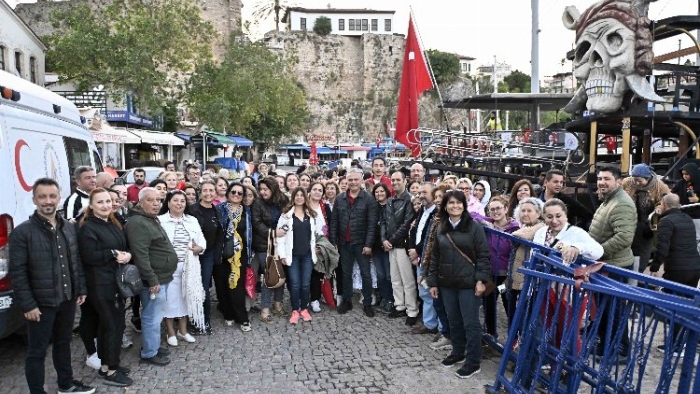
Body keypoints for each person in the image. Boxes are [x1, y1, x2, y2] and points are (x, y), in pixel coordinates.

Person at [9, 178, 95, 394]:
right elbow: (17, 272)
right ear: (34, 200)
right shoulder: (22, 232)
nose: (48, 201)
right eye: (42, 196)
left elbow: (75, 261)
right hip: (40, 304)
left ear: (59, 198)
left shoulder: (68, 227)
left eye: (52, 196)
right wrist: (28, 305)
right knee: (37, 352)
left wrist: (81, 288)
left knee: (63, 343)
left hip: (66, 299)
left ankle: (66, 385)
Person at [427, 190, 491, 380]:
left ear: (464, 205)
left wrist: (481, 280)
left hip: (468, 283)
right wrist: (433, 281)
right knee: (453, 319)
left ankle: (473, 361)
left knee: (470, 322)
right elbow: (435, 256)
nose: (455, 206)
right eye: (451, 203)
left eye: (458, 203)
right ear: (445, 206)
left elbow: (483, 255)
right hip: (447, 282)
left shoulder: (474, 227)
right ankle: (458, 351)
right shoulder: (441, 227)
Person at [77, 188, 133, 387]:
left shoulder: (113, 222)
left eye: (108, 201)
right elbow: (88, 256)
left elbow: (123, 247)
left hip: (115, 281)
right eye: (100, 202)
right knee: (112, 326)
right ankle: (111, 370)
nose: (105, 205)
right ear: (91, 205)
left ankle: (105, 365)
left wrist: (126, 255)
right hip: (100, 285)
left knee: (109, 326)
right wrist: (112, 253)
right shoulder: (87, 227)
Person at [126, 187, 178, 366]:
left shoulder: (149, 219)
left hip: (162, 276)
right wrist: (152, 279)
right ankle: (149, 352)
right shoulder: (138, 223)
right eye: (151, 200)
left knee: (156, 314)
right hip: (154, 280)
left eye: (158, 200)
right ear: (140, 202)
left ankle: (153, 346)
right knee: (152, 317)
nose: (156, 203)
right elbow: (140, 255)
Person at [588, 167, 636, 361]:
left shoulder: (621, 203)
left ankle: (621, 350)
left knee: (613, 309)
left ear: (618, 181)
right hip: (605, 264)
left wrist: (598, 251)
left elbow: (624, 237)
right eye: (600, 178)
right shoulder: (609, 200)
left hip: (615, 265)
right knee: (604, 309)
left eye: (607, 179)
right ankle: (605, 346)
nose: (601, 182)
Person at [650, 193, 700, 354]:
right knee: (686, 305)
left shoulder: (666, 221)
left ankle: (676, 345)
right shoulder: (687, 219)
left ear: (664, 205)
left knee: (675, 307)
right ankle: (683, 342)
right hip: (694, 268)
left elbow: (662, 247)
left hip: (677, 270)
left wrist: (655, 267)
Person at [158, 190, 206, 346]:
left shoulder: (192, 220)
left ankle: (183, 331)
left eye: (182, 201)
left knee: (186, 299)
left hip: (189, 267)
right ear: (169, 203)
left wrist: (200, 248)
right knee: (169, 301)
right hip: (168, 268)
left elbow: (201, 240)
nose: (179, 204)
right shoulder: (160, 221)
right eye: (176, 200)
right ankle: (170, 331)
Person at [330, 168, 378, 317]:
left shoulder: (369, 199)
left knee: (366, 274)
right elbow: (334, 222)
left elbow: (372, 224)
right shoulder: (340, 198)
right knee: (345, 273)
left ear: (361, 181)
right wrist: (333, 242)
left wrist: (369, 244)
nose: (353, 182)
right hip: (344, 242)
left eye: (356, 179)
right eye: (350, 180)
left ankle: (368, 303)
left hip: (361, 242)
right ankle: (347, 301)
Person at [276, 187, 324, 324]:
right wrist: (282, 255)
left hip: (307, 255)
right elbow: (280, 237)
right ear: (293, 197)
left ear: (305, 197)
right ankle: (295, 310)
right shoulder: (286, 215)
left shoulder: (311, 215)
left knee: (305, 284)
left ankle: (304, 309)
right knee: (295, 284)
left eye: (301, 195)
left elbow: (320, 232)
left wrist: (318, 246)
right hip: (293, 256)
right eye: (296, 195)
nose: (298, 198)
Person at [215, 182, 253, 332]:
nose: (236, 195)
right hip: (222, 253)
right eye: (233, 192)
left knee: (236, 286)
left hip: (239, 255)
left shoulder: (247, 212)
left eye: (239, 193)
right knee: (222, 286)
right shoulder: (219, 209)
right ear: (228, 193)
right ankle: (228, 314)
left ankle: (242, 318)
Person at [188, 181, 224, 334]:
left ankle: (204, 320)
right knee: (191, 286)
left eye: (211, 190)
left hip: (208, 255)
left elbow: (219, 236)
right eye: (205, 190)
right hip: (191, 254)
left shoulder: (217, 211)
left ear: (215, 192)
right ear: (200, 192)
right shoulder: (192, 210)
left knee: (203, 287)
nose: (208, 193)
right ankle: (192, 319)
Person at [251, 177, 289, 322]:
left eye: (265, 189)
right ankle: (265, 309)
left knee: (281, 273)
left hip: (282, 244)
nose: (262, 192)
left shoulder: (283, 199)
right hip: (264, 245)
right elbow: (257, 223)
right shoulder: (257, 203)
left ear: (273, 189)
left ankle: (277, 304)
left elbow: (288, 217)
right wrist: (272, 233)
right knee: (269, 275)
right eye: (260, 189)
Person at [481, 196, 520, 336]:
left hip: (506, 277)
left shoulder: (514, 228)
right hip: (490, 275)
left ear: (506, 209)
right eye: (492, 209)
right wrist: (486, 223)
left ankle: (514, 339)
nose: (495, 212)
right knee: (488, 304)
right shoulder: (488, 224)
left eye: (498, 208)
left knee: (508, 305)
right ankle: (490, 335)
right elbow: (472, 214)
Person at [621, 164, 670, 274]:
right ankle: (626, 268)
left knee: (645, 246)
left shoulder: (659, 186)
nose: (637, 183)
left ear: (648, 178)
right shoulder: (627, 182)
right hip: (629, 219)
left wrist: (659, 207)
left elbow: (667, 200)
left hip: (648, 221)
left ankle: (639, 271)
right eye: (635, 180)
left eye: (639, 180)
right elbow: (619, 194)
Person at [383, 171, 417, 324]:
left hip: (402, 245)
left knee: (407, 280)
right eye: (393, 180)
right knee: (395, 279)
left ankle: (412, 310)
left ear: (404, 181)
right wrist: (383, 239)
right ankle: (399, 306)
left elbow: (406, 224)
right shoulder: (390, 200)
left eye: (398, 180)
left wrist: (391, 240)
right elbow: (383, 221)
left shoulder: (409, 200)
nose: (395, 182)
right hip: (391, 245)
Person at [307, 182, 332, 313]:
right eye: (315, 189)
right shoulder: (303, 206)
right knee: (305, 274)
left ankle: (315, 299)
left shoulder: (325, 207)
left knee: (317, 273)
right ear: (310, 191)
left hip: (321, 244)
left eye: (320, 190)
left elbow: (329, 226)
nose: (317, 192)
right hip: (304, 244)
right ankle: (304, 297)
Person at [372, 183, 392, 314]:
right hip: (376, 245)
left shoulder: (391, 205)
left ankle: (391, 300)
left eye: (382, 191)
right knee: (380, 275)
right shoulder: (373, 208)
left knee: (389, 275)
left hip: (388, 245)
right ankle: (384, 298)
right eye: (377, 192)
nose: (379, 194)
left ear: (386, 192)